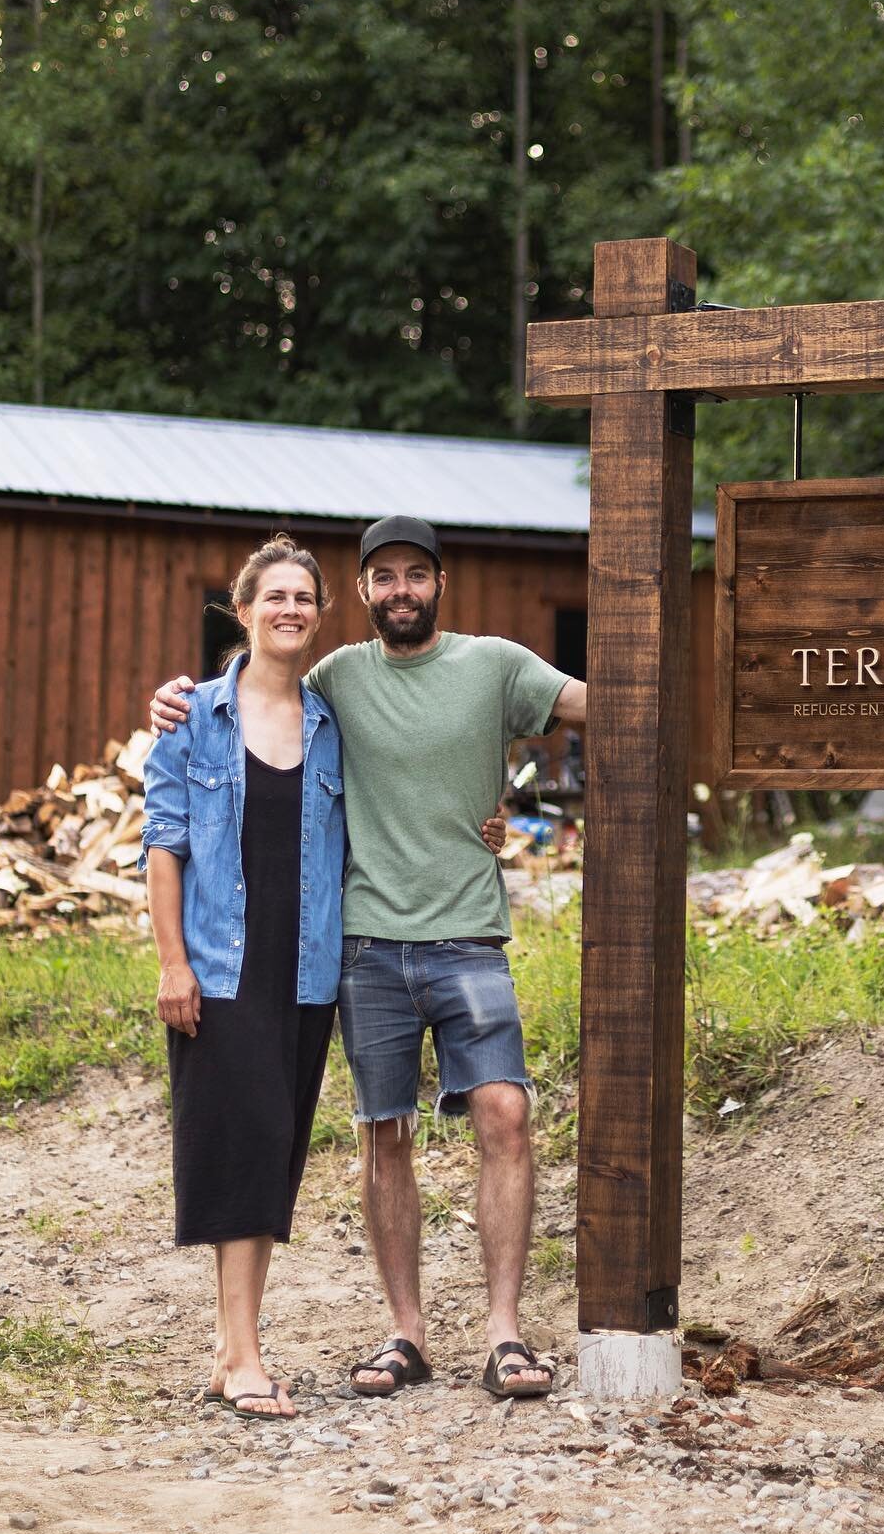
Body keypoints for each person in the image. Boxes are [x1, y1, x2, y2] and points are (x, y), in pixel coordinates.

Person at [151, 516, 586, 1400]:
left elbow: (569, 716)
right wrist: (176, 696)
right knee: (362, 1137)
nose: (399, 590)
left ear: (437, 584)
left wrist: (510, 805)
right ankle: (359, 1341)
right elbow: (185, 805)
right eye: (380, 576)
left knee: (484, 1116)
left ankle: (497, 1335)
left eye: (414, 575)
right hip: (317, 954)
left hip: (400, 949)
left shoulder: (430, 682)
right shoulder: (285, 694)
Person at [141, 536, 345, 1420]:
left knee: (274, 1151)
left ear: (319, 612)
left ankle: (232, 1353)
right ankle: (246, 1356)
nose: (290, 609)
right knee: (241, 1148)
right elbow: (164, 845)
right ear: (244, 609)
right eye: (276, 596)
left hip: (306, 970)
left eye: (304, 597)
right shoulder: (194, 719)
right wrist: (173, 964)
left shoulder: (336, 724)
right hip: (219, 969)